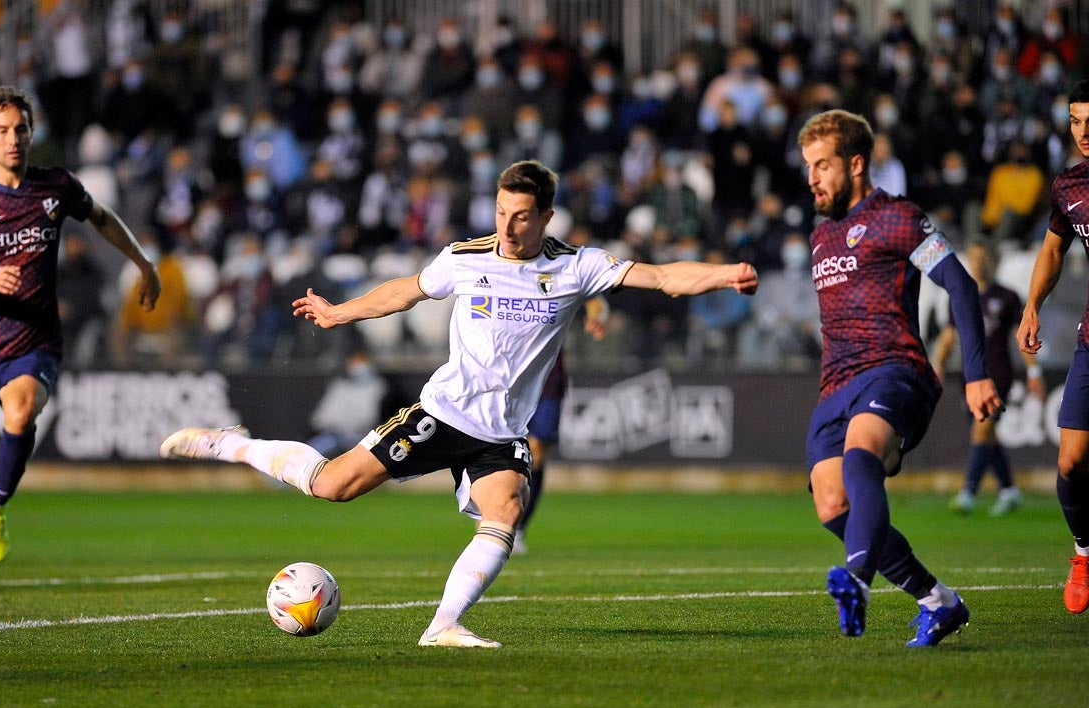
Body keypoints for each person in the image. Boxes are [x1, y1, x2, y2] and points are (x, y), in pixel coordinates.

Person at [161, 160, 757, 648]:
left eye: (521, 216)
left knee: (506, 511)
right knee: (332, 486)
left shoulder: (576, 267)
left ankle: (442, 624)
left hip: (502, 433)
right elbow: (407, 291)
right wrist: (341, 311)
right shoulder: (467, 258)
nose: (508, 227)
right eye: (501, 212)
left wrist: (726, 272)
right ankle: (230, 443)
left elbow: (662, 277)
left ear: (546, 215)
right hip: (443, 413)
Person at [0, 86, 161, 600]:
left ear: (32, 133)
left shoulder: (55, 187)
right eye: (1, 130)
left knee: (20, 414)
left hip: (34, 339)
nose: (13, 139)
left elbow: (101, 216)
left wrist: (143, 264)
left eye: (20, 129)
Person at [798, 110, 1002, 646]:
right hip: (834, 385)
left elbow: (961, 286)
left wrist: (975, 375)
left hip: (895, 369)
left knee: (862, 453)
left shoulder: (899, 218)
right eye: (808, 166)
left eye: (822, 165)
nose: (812, 178)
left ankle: (858, 583)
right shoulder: (820, 236)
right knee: (831, 503)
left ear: (857, 163)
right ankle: (939, 602)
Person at [1016, 78, 1089, 615]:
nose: (1084, 132)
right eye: (1075, 121)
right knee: (1070, 464)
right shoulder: (1069, 186)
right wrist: (1032, 306)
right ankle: (1084, 551)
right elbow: (1052, 252)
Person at [934, 242, 1045, 516]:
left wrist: (1034, 372)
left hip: (998, 374)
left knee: (982, 429)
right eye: (973, 257)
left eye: (983, 257)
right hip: (969, 376)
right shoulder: (960, 295)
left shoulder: (1007, 296)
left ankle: (968, 493)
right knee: (989, 436)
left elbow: (1023, 336)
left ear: (992, 260)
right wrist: (937, 364)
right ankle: (1009, 490)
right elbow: (949, 334)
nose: (978, 262)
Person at [515, 296, 609, 555]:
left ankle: (518, 527)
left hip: (548, 380)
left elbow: (593, 297)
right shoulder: (501, 266)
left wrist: (597, 315)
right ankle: (494, 514)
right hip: (506, 380)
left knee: (536, 452)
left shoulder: (558, 265)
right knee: (496, 448)